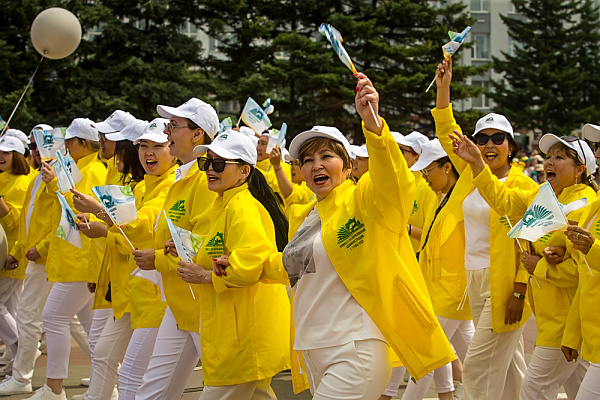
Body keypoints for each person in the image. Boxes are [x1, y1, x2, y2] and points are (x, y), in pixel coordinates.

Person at [262, 73, 455, 399]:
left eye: (326, 156)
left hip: (355, 348)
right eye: (307, 160)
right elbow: (288, 267)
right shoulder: (308, 216)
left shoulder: (364, 199)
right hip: (313, 348)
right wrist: (232, 268)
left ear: (348, 166)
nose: (316, 165)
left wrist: (374, 126)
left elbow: (394, 183)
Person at [450, 128, 597, 400]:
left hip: (566, 321)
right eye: (549, 156)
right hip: (554, 318)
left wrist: (536, 267)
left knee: (534, 390)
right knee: (579, 390)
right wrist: (477, 163)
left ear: (579, 170)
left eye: (560, 157)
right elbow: (502, 200)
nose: (549, 162)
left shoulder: (583, 204)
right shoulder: (544, 196)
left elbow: (582, 271)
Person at [433, 58, 538, 400]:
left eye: (498, 139)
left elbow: (529, 244)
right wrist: (444, 88)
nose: (489, 145)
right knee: (508, 364)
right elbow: (446, 129)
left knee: (478, 366)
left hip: (505, 282)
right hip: (474, 278)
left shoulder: (524, 186)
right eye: (482, 139)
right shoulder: (469, 174)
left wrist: (519, 292)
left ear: (512, 146)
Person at [166, 131, 290, 399]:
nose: (210, 169)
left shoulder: (241, 208)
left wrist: (204, 276)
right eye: (207, 162)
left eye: (220, 163)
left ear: (244, 171)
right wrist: (187, 245)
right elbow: (220, 247)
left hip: (243, 335)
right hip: (238, 331)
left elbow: (248, 266)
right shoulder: (225, 202)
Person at [73, 118, 177, 400]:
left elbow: (142, 226)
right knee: (105, 354)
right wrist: (102, 227)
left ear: (173, 149)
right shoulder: (143, 187)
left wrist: (101, 214)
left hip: (154, 295)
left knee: (132, 374)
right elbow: (129, 236)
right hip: (132, 291)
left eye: (157, 146)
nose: (148, 152)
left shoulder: (171, 187)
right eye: (143, 145)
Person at [132, 98, 219, 400]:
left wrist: (158, 258)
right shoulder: (183, 178)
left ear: (197, 135)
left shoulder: (207, 178)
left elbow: (207, 244)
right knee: (153, 389)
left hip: (204, 304)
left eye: (173, 126)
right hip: (180, 302)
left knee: (231, 389)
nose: (167, 132)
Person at [24, 118, 107, 400]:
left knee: (53, 318)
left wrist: (55, 185)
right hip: (75, 257)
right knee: (91, 328)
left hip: (80, 259)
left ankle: (54, 388)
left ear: (82, 144)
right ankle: (105, 386)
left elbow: (82, 210)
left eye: (70, 141)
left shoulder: (91, 170)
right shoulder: (83, 166)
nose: (66, 146)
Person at [398, 139, 474, 400]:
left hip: (452, 292)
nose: (424, 176)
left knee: (425, 354)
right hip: (440, 289)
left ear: (447, 168)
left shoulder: (462, 196)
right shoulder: (440, 198)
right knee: (465, 356)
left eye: (428, 170)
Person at [0, 127, 57, 395]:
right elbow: (29, 221)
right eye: (33, 146)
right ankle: (106, 380)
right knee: (69, 320)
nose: (36, 150)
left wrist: (40, 248)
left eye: (42, 145)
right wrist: (20, 248)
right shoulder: (36, 177)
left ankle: (22, 375)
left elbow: (64, 218)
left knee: (28, 316)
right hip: (34, 255)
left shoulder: (56, 175)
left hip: (47, 257)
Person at [0, 135, 34, 374]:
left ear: (18, 156)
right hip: (7, 251)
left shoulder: (22, 182)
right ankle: (18, 361)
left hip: (11, 252)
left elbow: (14, 222)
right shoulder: (5, 177)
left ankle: (23, 351)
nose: (1, 156)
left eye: (7, 152)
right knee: (12, 310)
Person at [394, 131, 436, 253]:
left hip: (417, 258)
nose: (396, 154)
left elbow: (433, 234)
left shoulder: (428, 188)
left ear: (417, 158)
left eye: (401, 151)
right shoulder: (398, 184)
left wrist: (405, 228)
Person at [256, 131, 292, 202]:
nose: (258, 148)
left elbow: (272, 184)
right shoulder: (254, 165)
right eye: (258, 143)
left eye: (263, 144)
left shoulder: (283, 168)